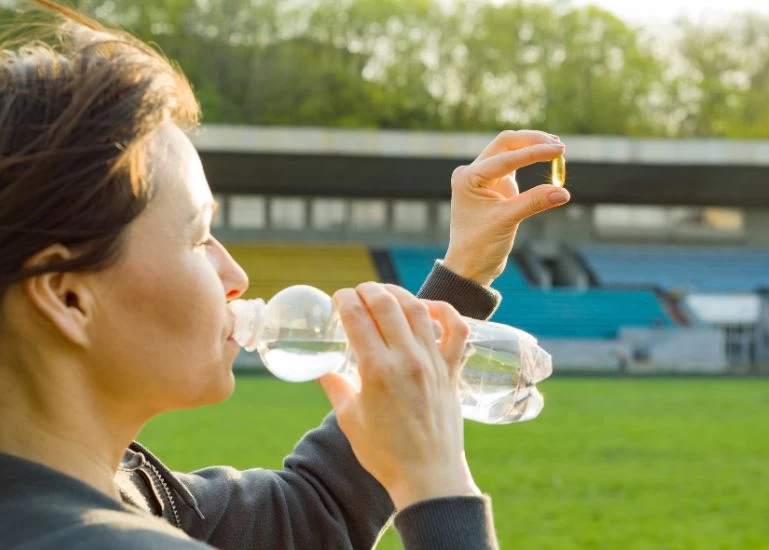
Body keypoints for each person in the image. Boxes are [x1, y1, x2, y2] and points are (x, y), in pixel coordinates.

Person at [0, 1, 570, 549]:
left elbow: (310, 517)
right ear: (68, 296)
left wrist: (461, 274)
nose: (235, 275)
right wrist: (438, 489)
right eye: (200, 238)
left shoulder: (108, 494)